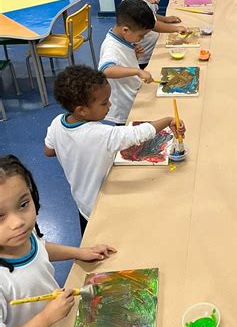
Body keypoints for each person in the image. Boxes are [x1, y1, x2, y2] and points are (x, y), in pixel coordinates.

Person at [0, 155, 116, 327]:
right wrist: (45, 319)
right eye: (0, 216)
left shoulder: (22, 237)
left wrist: (78, 252)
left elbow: (41, 250)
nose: (17, 221)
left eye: (23, 204)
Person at [44, 65, 185, 234]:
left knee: (87, 235)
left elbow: (49, 151)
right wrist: (168, 120)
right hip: (101, 202)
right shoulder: (99, 134)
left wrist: (72, 151)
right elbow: (137, 134)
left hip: (81, 201)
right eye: (104, 103)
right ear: (81, 110)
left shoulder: (57, 122)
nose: (110, 105)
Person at [118, 0, 187, 69]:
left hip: (150, 51)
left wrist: (165, 19)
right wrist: (176, 29)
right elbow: (152, 24)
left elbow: (150, 16)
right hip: (145, 58)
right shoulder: (131, 7)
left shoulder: (139, 2)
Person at [98, 0, 155, 125]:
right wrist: (138, 71)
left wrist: (134, 55)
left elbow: (122, 62)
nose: (142, 39)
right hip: (124, 109)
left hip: (132, 97)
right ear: (125, 30)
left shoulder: (125, 40)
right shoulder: (111, 46)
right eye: (140, 35)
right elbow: (106, 70)